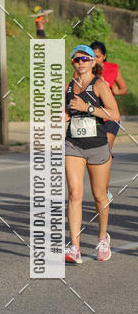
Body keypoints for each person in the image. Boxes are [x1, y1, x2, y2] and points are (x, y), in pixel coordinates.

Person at [64, 45, 119, 264]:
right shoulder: (68, 86)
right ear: (73, 63)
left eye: (86, 59)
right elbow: (66, 111)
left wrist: (88, 109)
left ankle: (103, 237)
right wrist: (63, 116)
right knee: (74, 194)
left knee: (99, 196)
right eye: (77, 60)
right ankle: (74, 247)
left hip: (97, 145)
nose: (82, 63)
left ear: (94, 62)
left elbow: (114, 114)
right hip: (73, 145)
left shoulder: (100, 85)